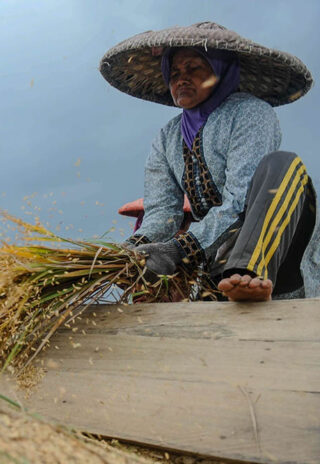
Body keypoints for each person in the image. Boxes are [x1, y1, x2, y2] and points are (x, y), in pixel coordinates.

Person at [100, 22, 318, 301]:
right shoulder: (167, 138)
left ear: (219, 71)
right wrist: (127, 253)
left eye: (193, 68)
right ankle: (229, 279)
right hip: (217, 257)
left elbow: (239, 200)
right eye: (174, 73)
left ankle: (249, 271)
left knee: (284, 164)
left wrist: (179, 250)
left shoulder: (250, 112)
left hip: (278, 248)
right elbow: (162, 214)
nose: (181, 79)